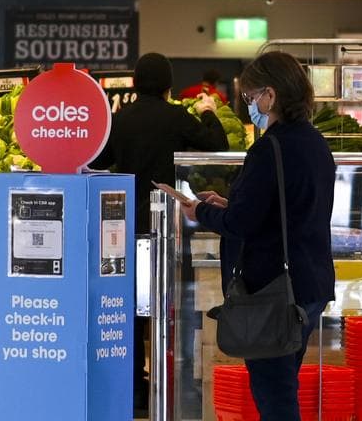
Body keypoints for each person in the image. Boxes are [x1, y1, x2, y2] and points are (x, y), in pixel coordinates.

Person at [182, 51, 335, 421]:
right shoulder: (315, 142)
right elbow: (283, 207)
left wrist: (201, 211)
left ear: (271, 94)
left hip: (274, 292)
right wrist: (230, 203)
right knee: (282, 385)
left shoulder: (270, 148)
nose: (250, 104)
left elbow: (242, 223)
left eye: (251, 97)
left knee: (275, 397)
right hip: (310, 284)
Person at [89, 52, 229, 416]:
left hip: (124, 228)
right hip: (166, 229)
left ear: (134, 83)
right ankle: (173, 385)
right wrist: (209, 109)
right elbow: (218, 145)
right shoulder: (176, 117)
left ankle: (134, 391)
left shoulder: (119, 120)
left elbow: (97, 161)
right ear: (169, 86)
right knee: (170, 308)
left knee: (131, 311)